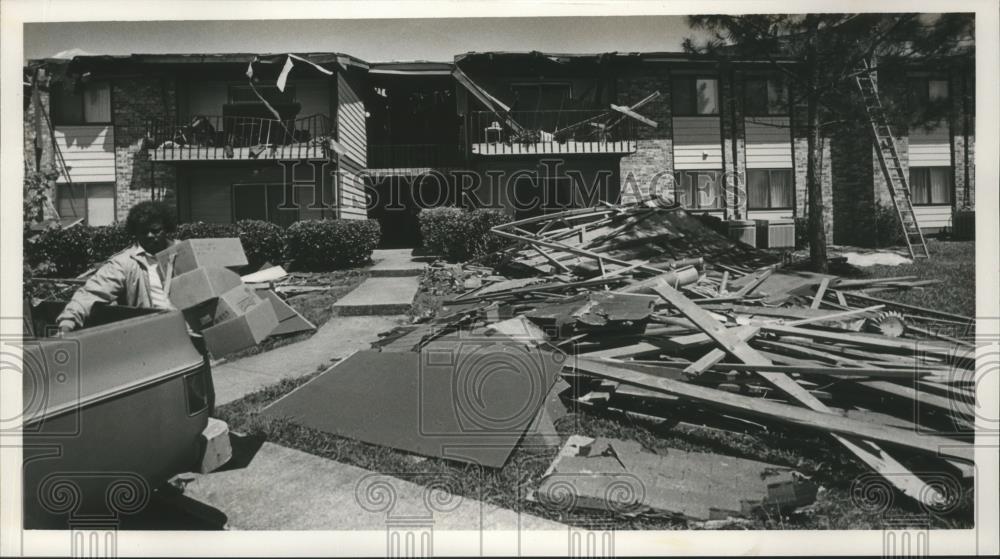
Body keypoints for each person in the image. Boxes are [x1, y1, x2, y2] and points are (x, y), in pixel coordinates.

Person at [57, 201, 179, 333]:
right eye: (143, 232)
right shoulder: (125, 263)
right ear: (135, 232)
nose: (150, 235)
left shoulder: (184, 252)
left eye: (155, 231)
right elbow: (92, 291)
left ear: (166, 229)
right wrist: (68, 321)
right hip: (154, 333)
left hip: (190, 331)